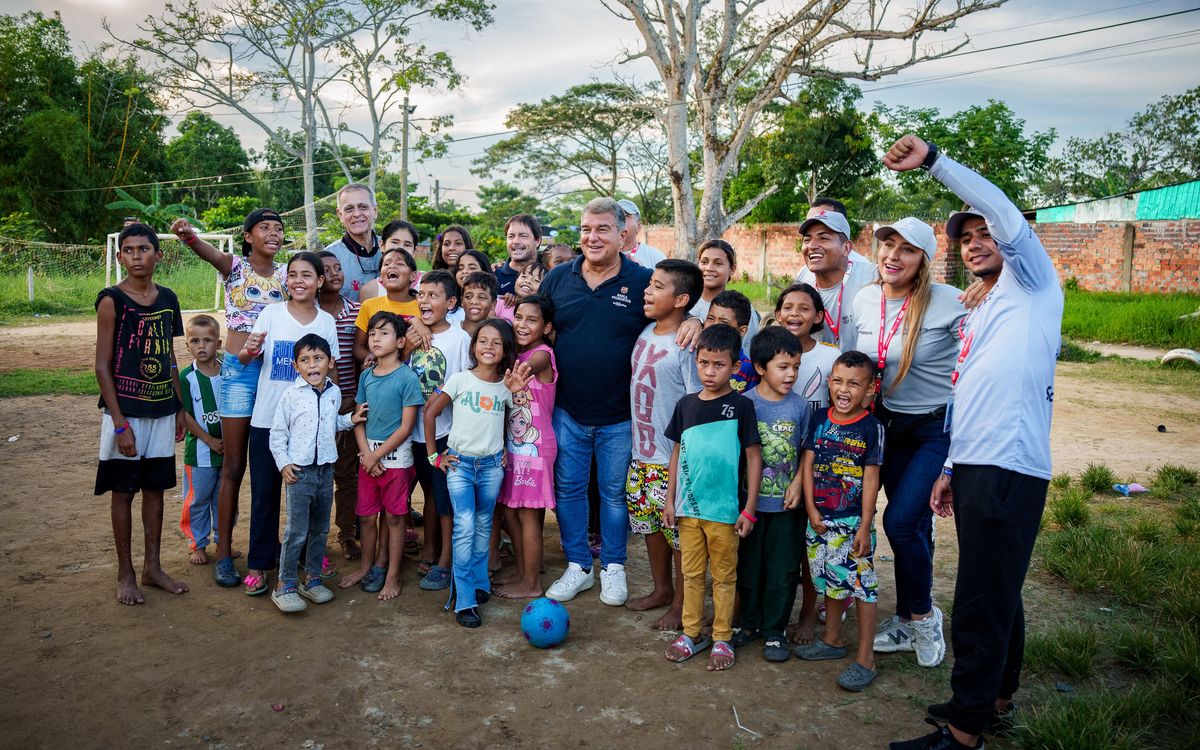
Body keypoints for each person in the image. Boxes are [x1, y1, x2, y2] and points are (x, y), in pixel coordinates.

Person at [884, 136, 1062, 750]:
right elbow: (970, 389)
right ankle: (994, 699)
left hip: (1009, 465)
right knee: (997, 587)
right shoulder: (985, 306)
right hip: (978, 462)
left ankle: (963, 733)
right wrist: (952, 466)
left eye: (986, 233)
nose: (976, 242)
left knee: (980, 598)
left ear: (1011, 239)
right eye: (966, 238)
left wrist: (934, 161)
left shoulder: (1033, 281)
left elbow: (1002, 210)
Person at [539, 196, 701, 606]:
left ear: (622, 233)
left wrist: (696, 320)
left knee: (614, 495)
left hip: (620, 416)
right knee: (569, 490)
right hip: (567, 410)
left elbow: (674, 307)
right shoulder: (557, 279)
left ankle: (613, 566)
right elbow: (533, 323)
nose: (592, 238)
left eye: (602, 229)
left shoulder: (642, 279)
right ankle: (578, 566)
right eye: (585, 230)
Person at [852, 217, 966, 670]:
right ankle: (903, 617)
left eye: (907, 249)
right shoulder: (865, 299)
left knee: (900, 523)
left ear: (924, 259)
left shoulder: (950, 301)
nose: (893, 256)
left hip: (934, 429)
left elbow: (980, 357)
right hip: (886, 425)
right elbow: (857, 363)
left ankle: (923, 617)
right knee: (912, 525)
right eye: (888, 245)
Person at [172, 210, 287, 588]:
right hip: (239, 374)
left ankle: (268, 544)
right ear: (248, 236)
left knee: (272, 466)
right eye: (264, 228)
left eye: (278, 228)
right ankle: (223, 554)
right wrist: (188, 236)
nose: (273, 233)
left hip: (275, 375)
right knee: (233, 466)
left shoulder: (287, 274)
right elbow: (207, 252)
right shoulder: (235, 267)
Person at [95, 223, 189, 605]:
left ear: (158, 255)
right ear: (120, 256)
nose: (137, 256)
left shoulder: (168, 299)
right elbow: (102, 366)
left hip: (162, 411)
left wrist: (179, 406)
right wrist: (120, 424)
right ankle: (126, 573)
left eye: (144, 249)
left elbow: (169, 357)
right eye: (130, 250)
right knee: (123, 491)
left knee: (155, 489)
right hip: (126, 413)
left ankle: (153, 567)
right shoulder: (111, 300)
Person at [662, 324, 762, 671]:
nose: (709, 371)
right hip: (688, 511)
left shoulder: (742, 406)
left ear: (735, 366)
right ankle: (691, 633)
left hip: (725, 513)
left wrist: (749, 509)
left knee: (724, 577)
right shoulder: (686, 405)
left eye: (719, 365)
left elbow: (753, 457)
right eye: (704, 363)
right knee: (690, 574)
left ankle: (722, 637)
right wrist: (670, 500)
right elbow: (677, 453)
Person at [239, 252, 339, 596]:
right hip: (268, 421)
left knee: (310, 501)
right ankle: (259, 563)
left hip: (310, 429)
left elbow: (333, 372)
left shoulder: (326, 322)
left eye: (306, 275)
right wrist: (249, 350)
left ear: (319, 281)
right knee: (264, 496)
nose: (298, 281)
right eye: (292, 274)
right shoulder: (270, 313)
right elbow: (244, 358)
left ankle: (309, 560)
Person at [423, 320, 533, 627]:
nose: (488, 347)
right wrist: (434, 456)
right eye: (483, 341)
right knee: (465, 526)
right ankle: (465, 600)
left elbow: (518, 420)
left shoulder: (505, 386)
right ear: (473, 347)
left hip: (491, 467)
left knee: (484, 525)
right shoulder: (460, 379)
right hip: (460, 465)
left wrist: (518, 395)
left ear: (505, 350)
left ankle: (479, 582)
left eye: (496, 343)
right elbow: (430, 413)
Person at [797, 350, 884, 692]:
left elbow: (872, 478)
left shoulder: (871, 428)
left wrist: (864, 524)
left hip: (852, 524)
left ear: (870, 389)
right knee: (832, 581)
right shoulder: (819, 419)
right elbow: (807, 465)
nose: (843, 390)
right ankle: (832, 639)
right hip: (820, 520)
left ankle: (866, 658)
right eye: (837, 381)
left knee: (862, 587)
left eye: (854, 384)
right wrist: (810, 509)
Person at [624, 259, 704, 630]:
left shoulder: (687, 345)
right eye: (649, 284)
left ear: (681, 299)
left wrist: (684, 458)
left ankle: (682, 605)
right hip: (640, 455)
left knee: (679, 537)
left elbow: (696, 402)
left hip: (671, 460)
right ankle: (662, 589)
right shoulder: (645, 331)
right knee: (650, 528)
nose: (647, 290)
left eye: (658, 286)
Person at [267, 334, 366, 613]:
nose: (312, 365)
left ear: (330, 362)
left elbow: (331, 422)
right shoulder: (291, 395)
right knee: (297, 531)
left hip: (325, 470)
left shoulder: (334, 393)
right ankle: (285, 584)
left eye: (318, 358)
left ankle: (311, 579)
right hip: (299, 473)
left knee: (320, 529)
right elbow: (278, 434)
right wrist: (284, 464)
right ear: (296, 366)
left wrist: (350, 419)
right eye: (305, 360)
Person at [732, 326, 812, 661]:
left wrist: (797, 483)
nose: (791, 374)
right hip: (749, 506)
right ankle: (750, 623)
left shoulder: (801, 407)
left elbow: (807, 451)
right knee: (749, 567)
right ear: (760, 367)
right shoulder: (744, 404)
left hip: (787, 507)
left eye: (796, 366)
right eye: (783, 367)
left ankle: (776, 631)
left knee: (783, 570)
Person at [338, 312, 424, 600]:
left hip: (396, 462)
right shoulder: (366, 376)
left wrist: (376, 456)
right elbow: (358, 419)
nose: (375, 338)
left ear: (400, 342)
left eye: (384, 333)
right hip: (368, 459)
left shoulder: (407, 378)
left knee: (395, 518)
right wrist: (367, 455)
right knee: (365, 517)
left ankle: (392, 575)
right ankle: (366, 567)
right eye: (372, 333)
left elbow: (406, 427)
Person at [407, 270, 472, 591]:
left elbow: (466, 384)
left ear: (451, 303)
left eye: (433, 295)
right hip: (410, 432)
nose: (424, 301)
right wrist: (412, 331)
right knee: (426, 492)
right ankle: (429, 548)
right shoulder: (410, 333)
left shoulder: (460, 338)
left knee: (443, 497)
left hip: (446, 433)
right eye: (421, 295)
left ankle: (445, 559)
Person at [495, 295, 558, 599]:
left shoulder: (542, 354)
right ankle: (523, 572)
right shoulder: (516, 353)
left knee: (529, 514)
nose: (522, 324)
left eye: (532, 320)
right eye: (518, 317)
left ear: (546, 328)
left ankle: (531, 584)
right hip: (514, 447)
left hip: (535, 450)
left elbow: (529, 366)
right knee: (511, 511)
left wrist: (514, 369)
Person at [316, 251, 364, 560]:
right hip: (315, 407)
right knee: (316, 475)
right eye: (327, 269)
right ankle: (314, 538)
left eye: (338, 267)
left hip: (348, 403)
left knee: (347, 475)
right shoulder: (308, 313)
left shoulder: (356, 311)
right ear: (318, 278)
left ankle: (346, 533)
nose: (335, 273)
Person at [794, 204, 877, 352]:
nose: (812, 246)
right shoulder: (803, 278)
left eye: (823, 238)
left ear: (846, 248)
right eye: (807, 239)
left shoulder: (872, 277)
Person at [179, 314, 225, 565]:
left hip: (227, 450)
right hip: (200, 453)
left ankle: (223, 541)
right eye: (195, 341)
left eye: (207, 340)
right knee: (198, 499)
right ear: (187, 345)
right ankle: (197, 544)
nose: (201, 346)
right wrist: (208, 439)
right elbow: (184, 414)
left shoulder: (228, 372)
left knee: (223, 498)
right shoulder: (186, 378)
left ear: (218, 344)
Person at [775, 283, 841, 413]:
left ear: (818, 316)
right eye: (788, 307)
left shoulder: (832, 356)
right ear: (778, 315)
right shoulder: (767, 353)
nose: (794, 313)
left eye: (804, 309)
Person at [353, 247, 419, 365]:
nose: (392, 266)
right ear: (381, 277)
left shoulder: (423, 306)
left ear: (413, 276)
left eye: (400, 263)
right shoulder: (369, 305)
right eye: (387, 264)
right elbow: (358, 347)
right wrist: (373, 360)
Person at [692, 239, 760, 352]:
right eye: (704, 262)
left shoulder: (741, 308)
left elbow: (748, 351)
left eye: (718, 263)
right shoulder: (686, 302)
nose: (709, 268)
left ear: (732, 269)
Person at [324, 183, 382, 302]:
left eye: (363, 207)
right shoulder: (327, 257)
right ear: (340, 215)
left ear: (375, 211)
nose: (356, 214)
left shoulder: (391, 247)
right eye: (349, 209)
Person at [702, 289, 760, 392]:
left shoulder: (748, 369)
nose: (715, 325)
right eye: (710, 318)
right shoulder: (694, 356)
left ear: (742, 331)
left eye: (724, 322)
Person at [359, 220, 420, 300]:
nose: (400, 248)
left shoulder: (426, 283)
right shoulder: (370, 290)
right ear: (382, 245)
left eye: (407, 245)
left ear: (414, 251)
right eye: (395, 242)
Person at [495, 214, 542, 295]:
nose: (516, 241)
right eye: (511, 236)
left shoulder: (549, 275)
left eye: (523, 236)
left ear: (537, 241)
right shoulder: (493, 276)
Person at [615, 198, 666, 269]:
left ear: (638, 226)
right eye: (617, 216)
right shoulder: (603, 256)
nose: (620, 220)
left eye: (626, 216)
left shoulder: (656, 258)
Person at [459, 271, 498, 337]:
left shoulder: (497, 335)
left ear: (493, 304)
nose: (474, 302)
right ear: (462, 301)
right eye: (468, 297)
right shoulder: (451, 333)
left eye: (482, 297)